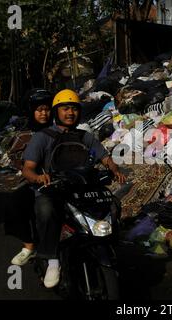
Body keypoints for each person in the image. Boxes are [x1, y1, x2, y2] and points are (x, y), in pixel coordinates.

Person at [22, 89, 126, 288]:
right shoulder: (42, 137)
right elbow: (27, 169)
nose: (70, 113)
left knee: (112, 204)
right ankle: (51, 259)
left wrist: (115, 170)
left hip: (81, 187)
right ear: (56, 112)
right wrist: (38, 178)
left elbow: (104, 157)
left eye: (74, 109)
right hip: (53, 190)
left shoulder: (85, 137)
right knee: (46, 209)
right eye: (65, 108)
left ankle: (109, 245)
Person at [5, 88, 54, 266]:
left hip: (62, 179)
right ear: (32, 111)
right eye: (39, 109)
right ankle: (29, 245)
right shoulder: (26, 134)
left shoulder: (60, 130)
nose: (43, 113)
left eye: (47, 109)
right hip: (36, 182)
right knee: (15, 203)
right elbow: (18, 160)